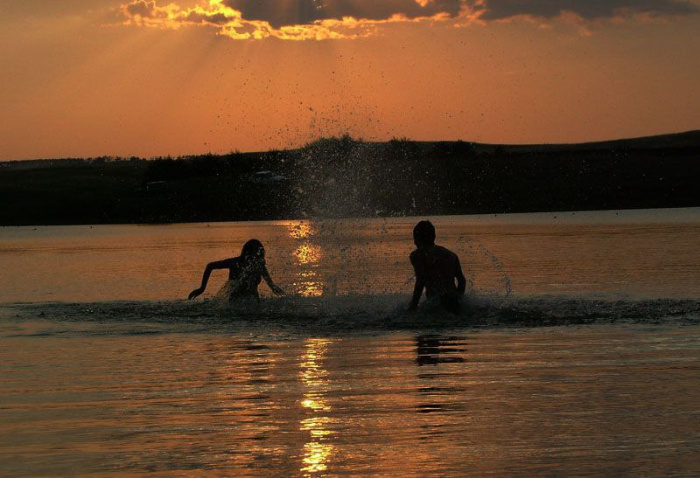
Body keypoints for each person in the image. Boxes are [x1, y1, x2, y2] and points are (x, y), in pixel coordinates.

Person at [188, 239, 284, 301]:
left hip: (253, 303)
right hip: (235, 304)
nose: (256, 257)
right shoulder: (235, 263)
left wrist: (284, 297)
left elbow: (272, 286)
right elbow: (210, 266)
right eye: (255, 253)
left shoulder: (259, 266)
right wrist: (202, 288)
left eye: (259, 254)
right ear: (247, 253)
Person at [408, 220, 466, 314]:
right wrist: (460, 300)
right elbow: (462, 280)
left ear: (417, 239)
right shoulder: (450, 255)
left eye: (414, 238)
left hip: (436, 305)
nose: (414, 242)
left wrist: (413, 306)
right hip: (454, 300)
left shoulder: (417, 255)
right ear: (434, 236)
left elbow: (420, 281)